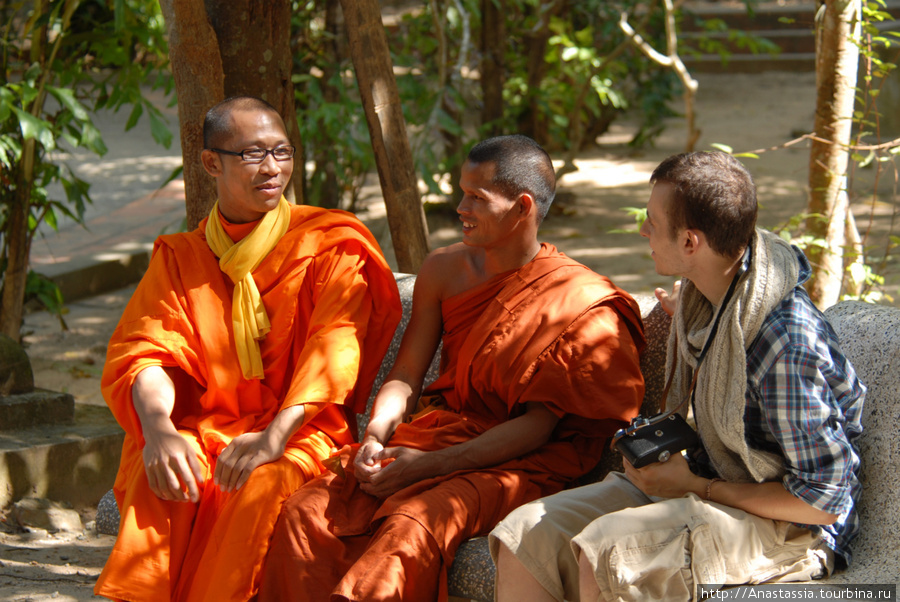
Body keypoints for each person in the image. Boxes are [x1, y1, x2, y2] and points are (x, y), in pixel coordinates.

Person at [256, 134, 646, 602]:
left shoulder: (576, 301)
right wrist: (377, 435)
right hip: (437, 432)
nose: (460, 206)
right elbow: (406, 374)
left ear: (522, 208)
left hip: (514, 461)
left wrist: (430, 467)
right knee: (306, 511)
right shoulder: (443, 270)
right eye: (461, 191)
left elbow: (536, 429)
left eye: (476, 198)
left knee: (411, 525)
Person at [490, 150, 865, 601]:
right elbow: (720, 344)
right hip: (712, 485)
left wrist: (695, 486)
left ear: (691, 243)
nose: (643, 230)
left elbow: (823, 500)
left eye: (651, 221)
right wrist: (691, 321)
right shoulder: (713, 299)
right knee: (524, 533)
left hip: (792, 527)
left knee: (608, 553)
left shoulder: (784, 345)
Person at [93, 96, 402, 602]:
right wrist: (159, 430)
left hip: (301, 430)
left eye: (282, 152)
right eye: (253, 154)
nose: (272, 168)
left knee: (256, 486)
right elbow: (146, 352)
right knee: (165, 472)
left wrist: (274, 437)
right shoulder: (183, 257)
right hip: (211, 424)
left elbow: (335, 349)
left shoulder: (329, 244)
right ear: (211, 162)